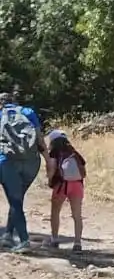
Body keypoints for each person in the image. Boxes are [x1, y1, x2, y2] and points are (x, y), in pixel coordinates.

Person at [0, 91, 44, 251]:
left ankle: (24, 240)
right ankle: (8, 236)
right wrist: (49, 160)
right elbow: (39, 139)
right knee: (16, 200)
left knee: (15, 201)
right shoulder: (28, 112)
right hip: (31, 162)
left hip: (7, 161)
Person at [43, 130, 86, 254]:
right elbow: (83, 169)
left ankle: (54, 239)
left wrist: (50, 180)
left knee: (55, 212)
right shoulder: (74, 153)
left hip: (61, 185)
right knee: (77, 215)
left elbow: (51, 170)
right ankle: (77, 243)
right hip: (77, 185)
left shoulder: (54, 153)